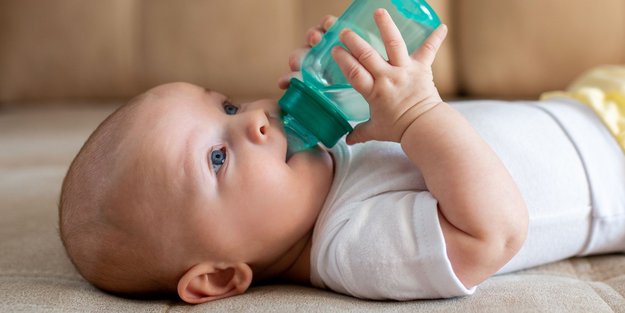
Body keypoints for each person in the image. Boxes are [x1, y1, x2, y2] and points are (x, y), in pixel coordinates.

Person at [58, 9, 625, 304]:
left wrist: (349, 79)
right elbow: (495, 231)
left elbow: (396, 131)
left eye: (227, 106)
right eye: (215, 160)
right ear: (220, 277)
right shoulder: (354, 246)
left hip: (587, 104)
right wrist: (418, 114)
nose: (255, 117)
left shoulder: (321, 170)